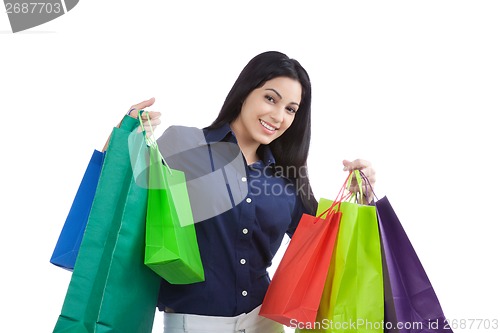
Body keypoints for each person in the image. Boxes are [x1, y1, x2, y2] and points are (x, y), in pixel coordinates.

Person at [107, 51, 376, 333]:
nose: (278, 116)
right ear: (246, 91)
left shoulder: (286, 177)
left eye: (290, 109)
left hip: (264, 323)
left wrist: (363, 199)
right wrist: (120, 143)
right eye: (271, 98)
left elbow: (326, 250)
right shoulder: (185, 144)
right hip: (195, 324)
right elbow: (119, 208)